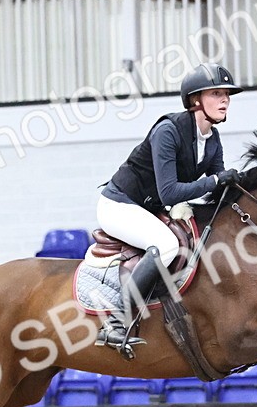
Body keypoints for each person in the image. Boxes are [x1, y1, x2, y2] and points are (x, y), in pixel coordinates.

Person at [94, 63, 244, 355]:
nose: (225, 99)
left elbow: (219, 184)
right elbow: (171, 191)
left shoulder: (212, 139)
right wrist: (214, 180)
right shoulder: (168, 131)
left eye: (227, 94)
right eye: (217, 93)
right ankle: (115, 321)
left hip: (149, 208)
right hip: (119, 205)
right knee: (166, 245)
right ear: (195, 100)